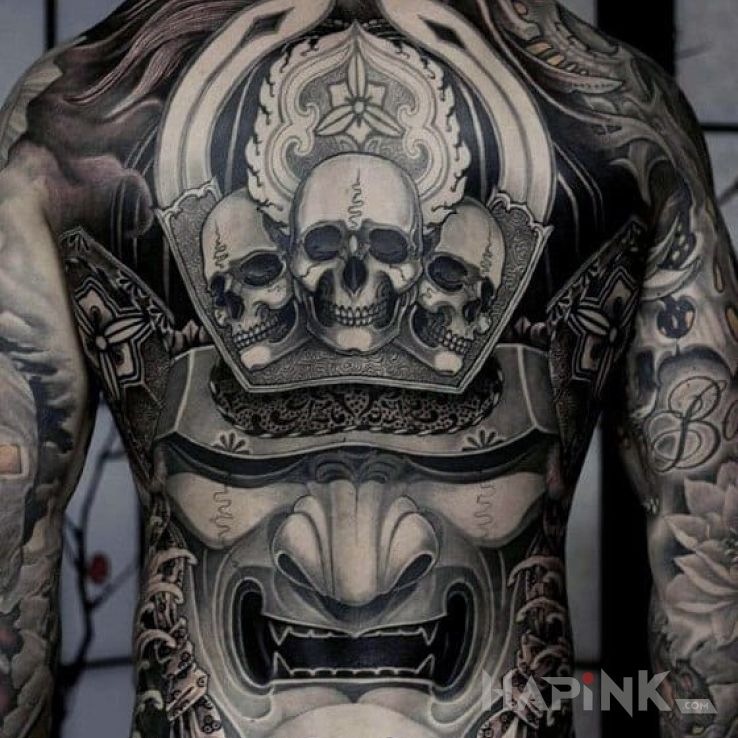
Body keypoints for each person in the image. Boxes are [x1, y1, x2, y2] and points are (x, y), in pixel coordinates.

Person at [0, 1, 735, 736]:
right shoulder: (620, 112)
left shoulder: (76, 114)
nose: (355, 580)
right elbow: (710, 556)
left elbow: (12, 546)